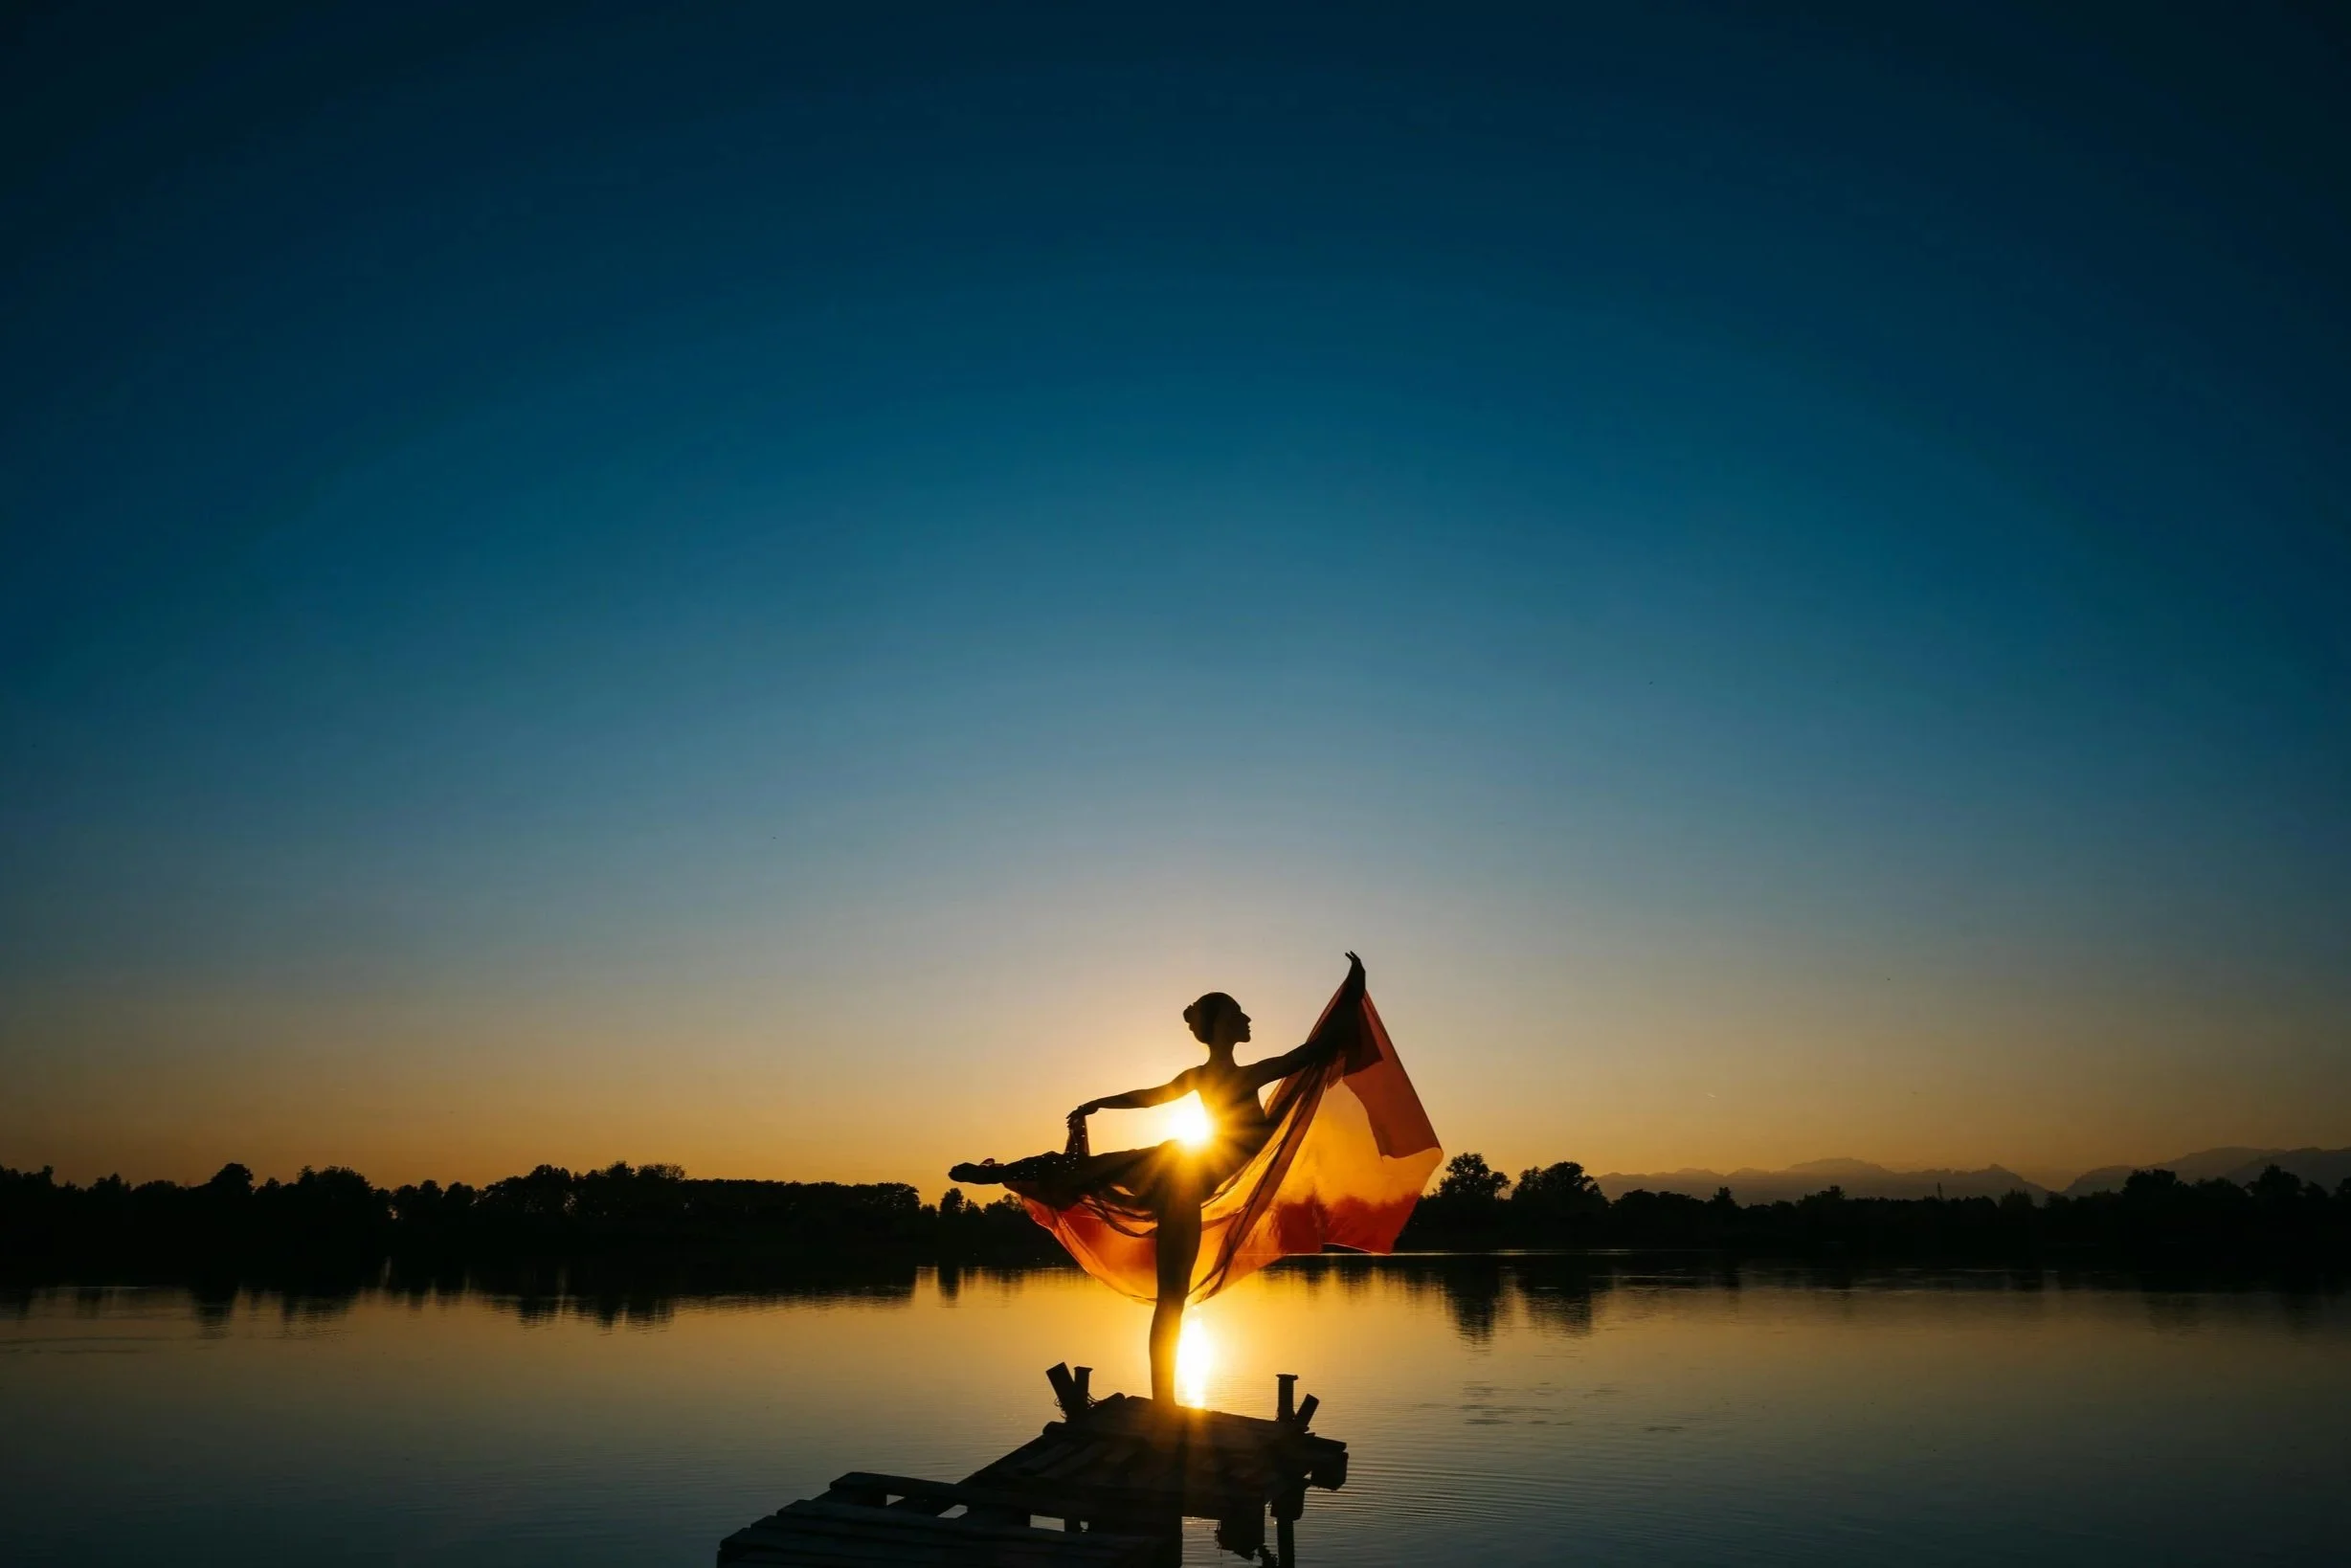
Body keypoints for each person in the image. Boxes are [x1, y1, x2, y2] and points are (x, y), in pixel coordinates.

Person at [952, 952, 1364, 1405]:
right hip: (1182, 1175)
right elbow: (1308, 1055)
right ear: (1224, 1027)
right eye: (1239, 1014)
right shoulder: (1244, 1076)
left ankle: (1165, 1402)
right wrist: (1354, 993)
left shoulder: (1213, 1077)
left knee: (1166, 1287)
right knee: (1165, 1286)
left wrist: (1101, 1102)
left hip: (1182, 1177)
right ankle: (1165, 1403)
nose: (1248, 1020)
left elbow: (1156, 1096)